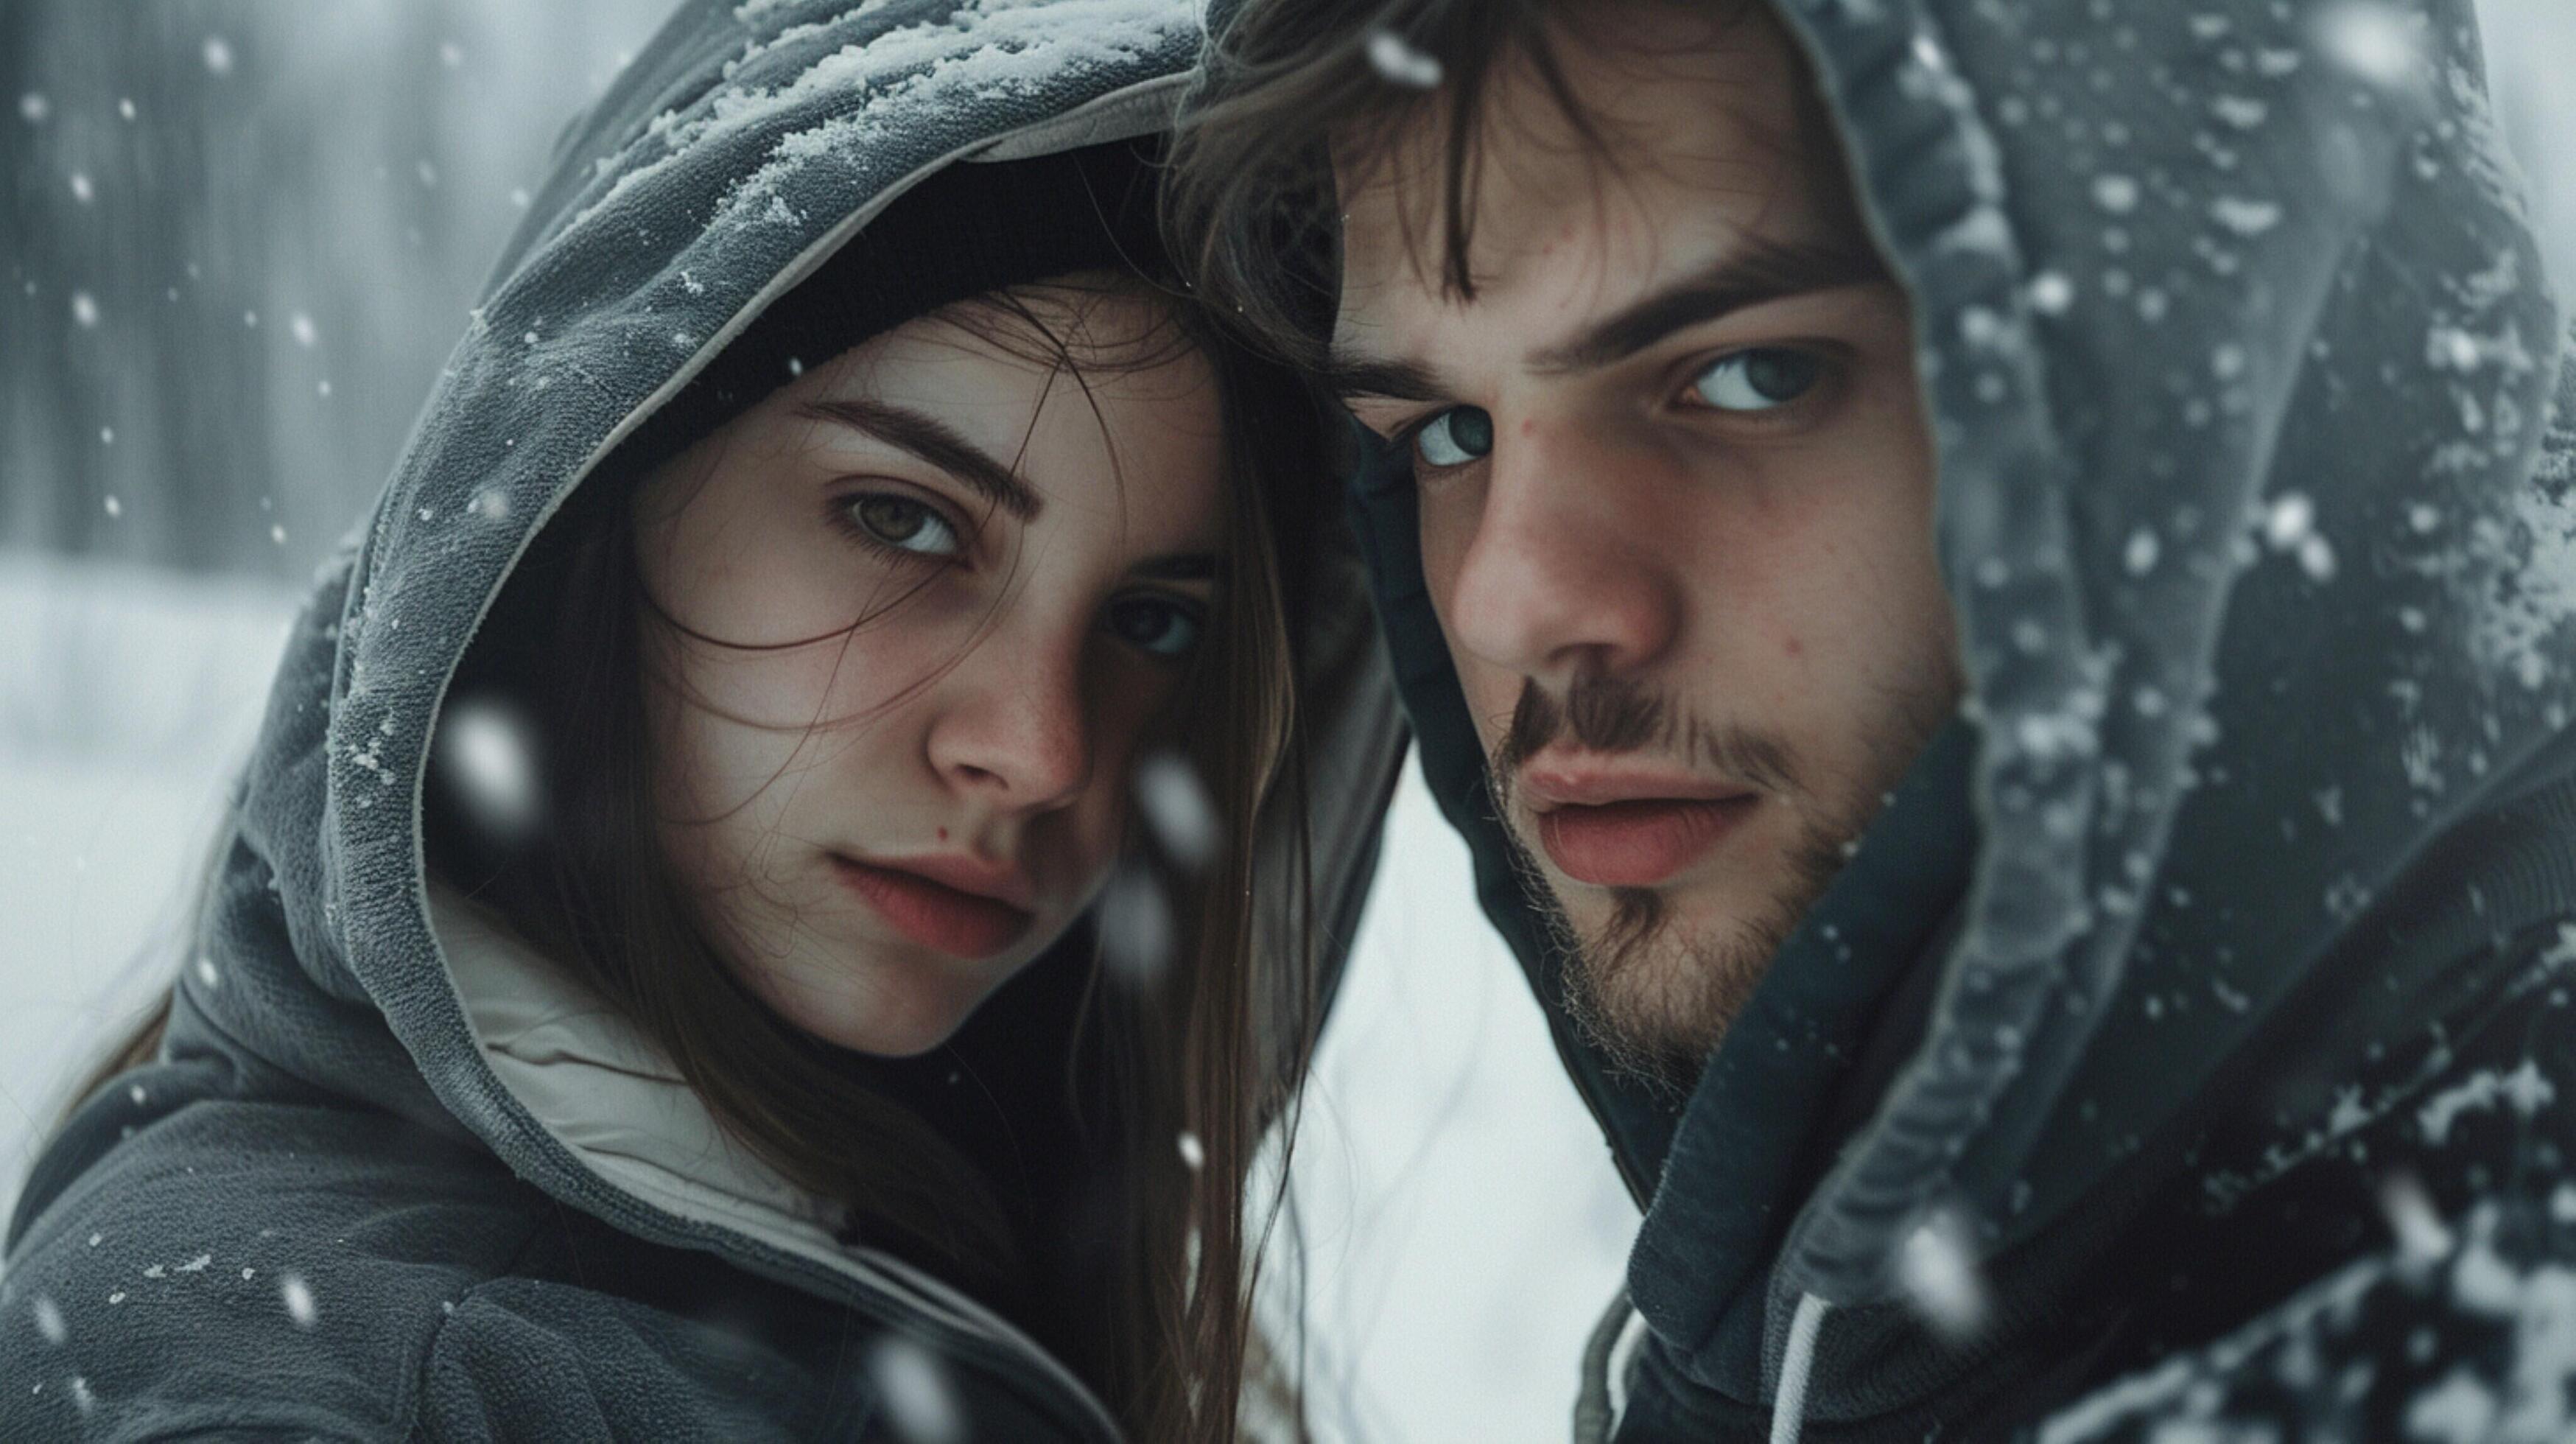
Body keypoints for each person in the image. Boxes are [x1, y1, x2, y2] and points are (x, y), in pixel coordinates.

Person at [0, 2, 1405, 1440]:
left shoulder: (947, 1236)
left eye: (1157, 619)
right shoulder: (347, 1378)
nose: (1043, 751)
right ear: (581, 517)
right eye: (902, 519)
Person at [1172, 0, 2576, 1437]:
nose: (1507, 602)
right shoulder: (1811, 1317)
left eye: (1751, 374)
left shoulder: (2483, 1313)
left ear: (2220, 383)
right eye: (1446, 435)